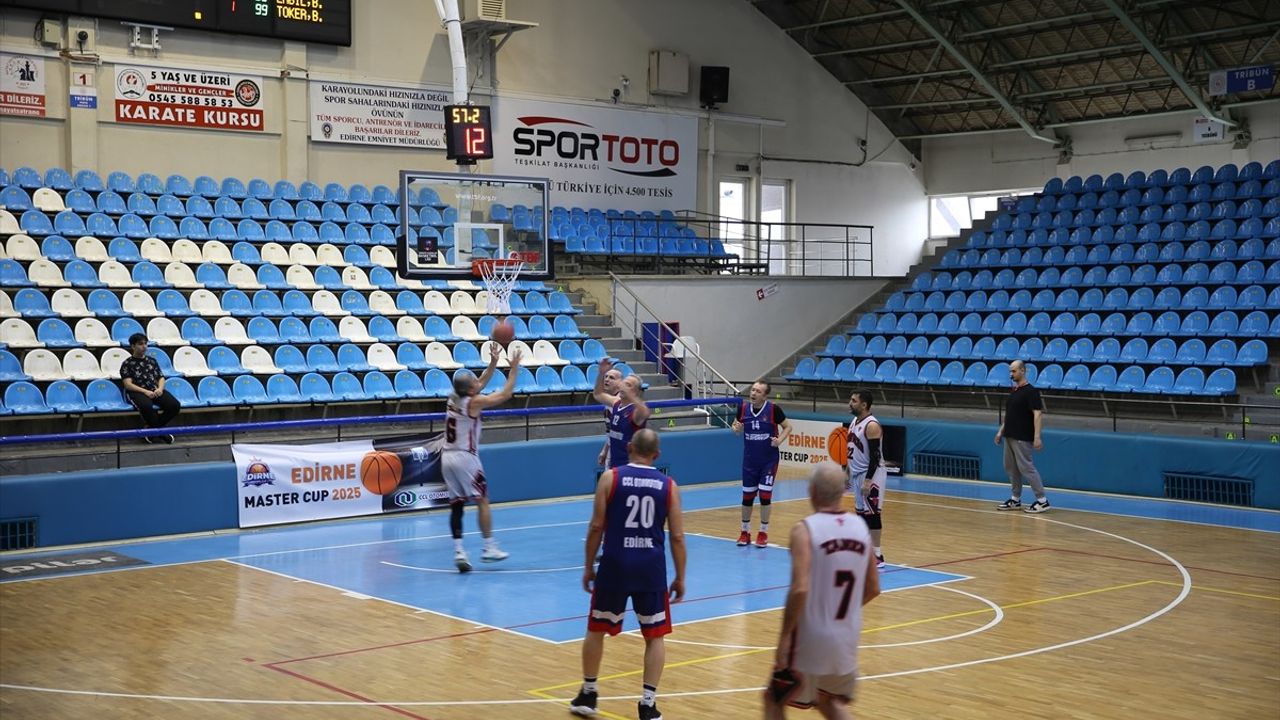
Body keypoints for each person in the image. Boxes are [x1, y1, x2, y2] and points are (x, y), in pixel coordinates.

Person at [571, 429, 686, 720]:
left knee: (597, 628)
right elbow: (678, 537)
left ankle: (589, 694)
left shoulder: (610, 477)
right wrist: (681, 576)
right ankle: (647, 704)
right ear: (657, 456)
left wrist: (588, 566)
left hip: (615, 563)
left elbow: (596, 526)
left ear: (630, 447)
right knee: (655, 635)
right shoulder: (669, 485)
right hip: (651, 567)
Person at [763, 461, 880, 720]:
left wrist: (783, 639)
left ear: (812, 491)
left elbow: (800, 588)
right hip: (847, 636)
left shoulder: (804, 530)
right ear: (843, 492)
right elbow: (873, 587)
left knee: (774, 698)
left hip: (811, 638)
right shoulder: (861, 528)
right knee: (830, 701)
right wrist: (844, 609)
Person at [443, 344, 523, 572]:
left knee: (457, 506)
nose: (478, 384)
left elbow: (478, 383)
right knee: (483, 501)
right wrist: (514, 369)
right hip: (465, 457)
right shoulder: (474, 402)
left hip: (446, 457)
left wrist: (493, 363)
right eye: (474, 384)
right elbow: (505, 394)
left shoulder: (452, 397)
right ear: (470, 391)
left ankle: (459, 551)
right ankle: (489, 547)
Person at [731, 380, 792, 547]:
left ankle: (763, 533)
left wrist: (779, 440)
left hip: (768, 461)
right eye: (752, 390)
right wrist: (736, 429)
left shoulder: (773, 410)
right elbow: (735, 426)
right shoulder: (743, 409)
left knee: (765, 496)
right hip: (750, 461)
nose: (753, 393)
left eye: (758, 391)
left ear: (765, 395)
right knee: (747, 497)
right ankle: (745, 532)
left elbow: (788, 427)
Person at [994, 359, 1050, 513]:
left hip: (1022, 437)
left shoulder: (1031, 392)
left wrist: (1037, 437)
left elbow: (1037, 414)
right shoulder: (1015, 391)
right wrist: (1001, 431)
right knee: (1011, 469)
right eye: (1010, 371)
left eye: (1013, 371)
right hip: (1010, 436)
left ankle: (1042, 500)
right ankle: (1015, 499)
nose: (1011, 374)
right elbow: (1010, 415)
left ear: (1022, 370)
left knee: (1027, 468)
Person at [844, 390, 885, 568]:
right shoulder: (854, 422)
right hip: (856, 473)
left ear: (864, 405)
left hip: (872, 474)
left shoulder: (872, 425)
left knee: (873, 514)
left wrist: (868, 480)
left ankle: (877, 554)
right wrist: (847, 472)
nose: (850, 403)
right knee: (860, 514)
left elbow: (875, 456)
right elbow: (851, 449)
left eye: (853, 401)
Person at [119, 333, 180, 444]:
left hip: (154, 390)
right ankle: (161, 433)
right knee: (146, 406)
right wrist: (145, 392)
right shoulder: (127, 364)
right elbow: (128, 384)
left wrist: (160, 389)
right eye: (140, 344)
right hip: (137, 392)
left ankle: (151, 430)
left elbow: (160, 378)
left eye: (146, 344)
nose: (144, 346)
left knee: (174, 405)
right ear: (133, 346)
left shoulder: (152, 361)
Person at [592, 358, 651, 470]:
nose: (624, 386)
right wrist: (601, 373)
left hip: (631, 467)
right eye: (624, 383)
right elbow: (598, 394)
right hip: (614, 464)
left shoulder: (635, 410)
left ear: (635, 392)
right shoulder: (615, 403)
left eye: (629, 385)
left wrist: (629, 394)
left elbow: (645, 412)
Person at [595, 366, 624, 470]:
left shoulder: (621, 401)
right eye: (606, 376)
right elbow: (611, 432)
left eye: (612, 378)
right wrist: (605, 450)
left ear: (621, 383)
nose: (607, 379)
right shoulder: (609, 401)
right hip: (613, 449)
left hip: (622, 452)